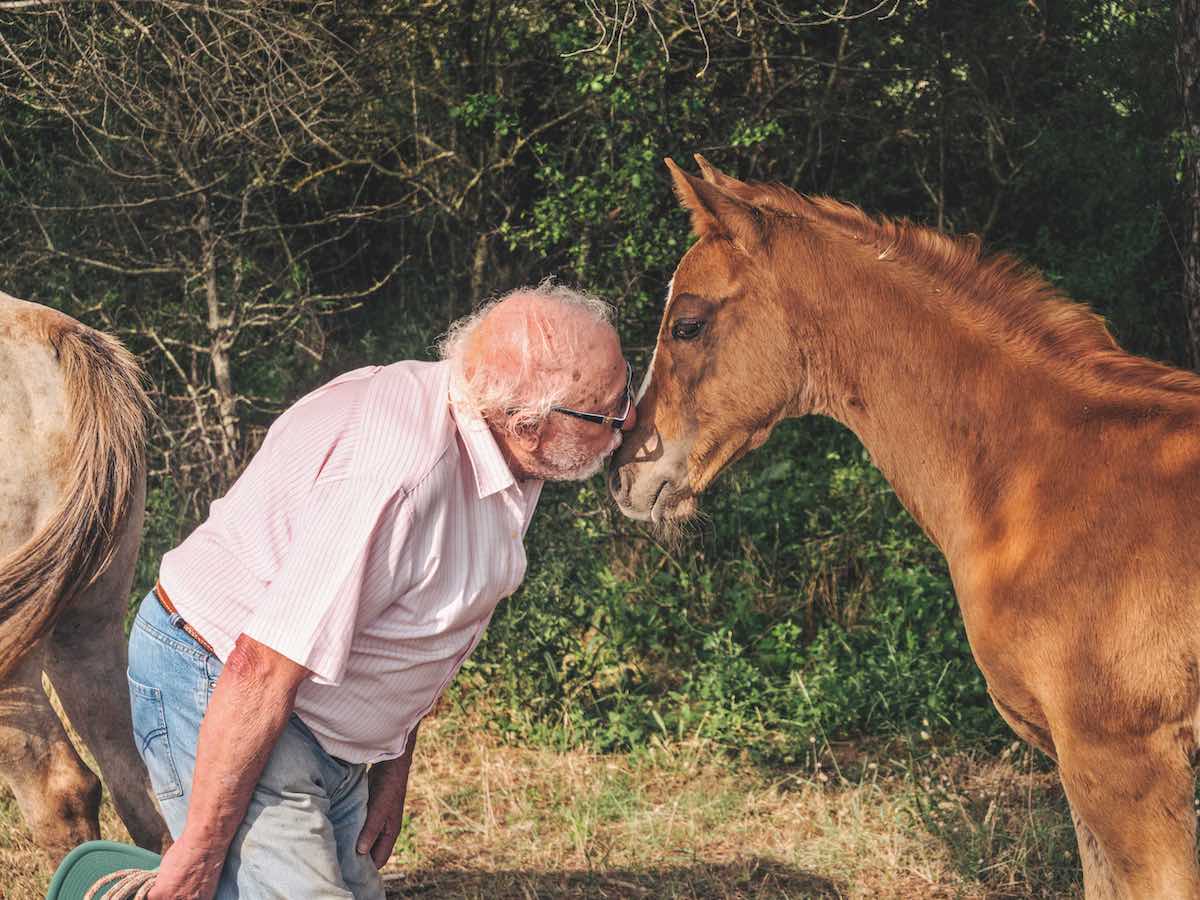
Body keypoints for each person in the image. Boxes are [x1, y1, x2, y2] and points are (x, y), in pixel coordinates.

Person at [126, 282, 636, 899]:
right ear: (526, 423)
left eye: (625, 389)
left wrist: (391, 767)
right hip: (216, 681)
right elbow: (258, 668)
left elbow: (420, 629)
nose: (626, 422)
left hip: (311, 722)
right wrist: (200, 854)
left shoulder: (506, 451)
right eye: (605, 412)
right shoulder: (402, 478)